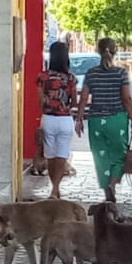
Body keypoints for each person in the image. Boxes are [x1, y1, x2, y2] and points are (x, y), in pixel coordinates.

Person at [76, 37, 132, 202]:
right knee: (120, 156)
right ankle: (113, 184)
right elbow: (127, 99)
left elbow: (83, 98)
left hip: (96, 121)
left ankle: (106, 189)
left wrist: (80, 118)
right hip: (117, 120)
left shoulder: (91, 73)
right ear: (115, 51)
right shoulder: (121, 73)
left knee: (100, 156)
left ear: (98, 51)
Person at [36, 41, 79, 199]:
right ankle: (56, 188)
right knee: (61, 155)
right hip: (65, 119)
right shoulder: (71, 78)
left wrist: (49, 102)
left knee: (50, 155)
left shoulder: (42, 77)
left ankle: (53, 189)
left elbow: (40, 102)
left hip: (48, 118)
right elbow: (74, 102)